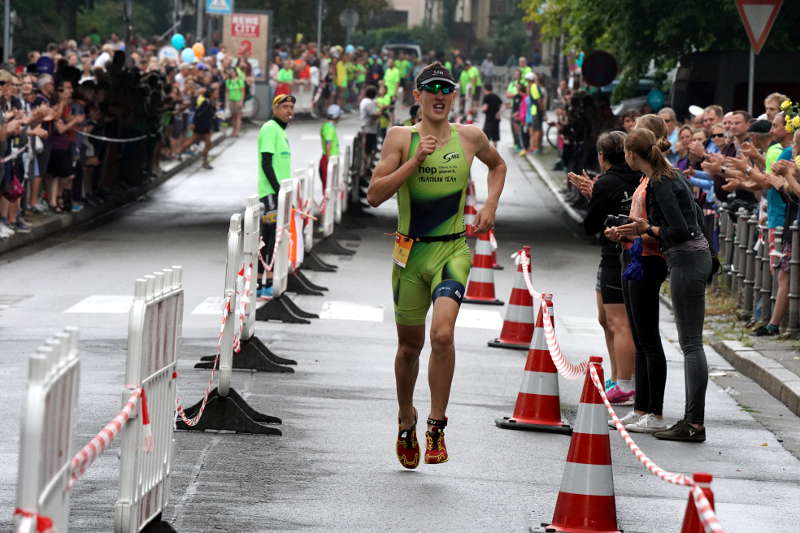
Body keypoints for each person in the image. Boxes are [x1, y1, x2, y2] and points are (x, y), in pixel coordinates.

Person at [366, 62, 506, 468]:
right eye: (432, 89)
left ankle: (437, 425)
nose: (440, 95)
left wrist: (491, 205)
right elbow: (374, 194)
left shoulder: (469, 137)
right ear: (418, 96)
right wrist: (413, 162)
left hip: (452, 251)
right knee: (410, 346)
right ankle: (405, 416)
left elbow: (497, 165)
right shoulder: (400, 138)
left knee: (442, 335)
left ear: (455, 95)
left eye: (447, 89)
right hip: (410, 254)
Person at [618, 127, 713, 442]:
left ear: (632, 154)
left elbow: (681, 229)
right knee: (691, 344)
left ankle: (694, 423)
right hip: (693, 258)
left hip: (686, 259)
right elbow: (695, 217)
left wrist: (649, 229)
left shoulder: (660, 183)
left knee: (691, 344)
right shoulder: (671, 175)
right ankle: (690, 420)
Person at [571, 131, 640, 405]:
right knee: (605, 318)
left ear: (602, 157)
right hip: (615, 254)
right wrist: (595, 192)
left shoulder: (608, 182)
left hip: (617, 254)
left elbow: (590, 225)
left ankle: (625, 381)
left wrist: (595, 195)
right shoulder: (634, 178)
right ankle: (617, 376)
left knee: (619, 321)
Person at [256, 94, 295, 299]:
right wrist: (278, 190)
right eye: (285, 107)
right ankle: (263, 284)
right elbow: (266, 163)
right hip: (271, 193)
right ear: (275, 109)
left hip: (280, 193)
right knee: (269, 237)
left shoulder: (280, 131)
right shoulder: (270, 128)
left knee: (274, 237)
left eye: (291, 107)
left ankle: (266, 283)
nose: (289, 111)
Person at [319, 104, 341, 191]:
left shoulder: (329, 126)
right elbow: (328, 144)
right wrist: (329, 162)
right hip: (328, 160)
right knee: (328, 188)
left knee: (330, 186)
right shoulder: (329, 127)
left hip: (330, 159)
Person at [224, 61, 246, 137]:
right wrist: (227, 101)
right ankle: (233, 130)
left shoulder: (240, 81)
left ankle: (237, 131)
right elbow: (227, 92)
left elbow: (243, 92)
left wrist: (241, 101)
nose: (232, 73)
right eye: (231, 72)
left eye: (233, 71)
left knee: (238, 116)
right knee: (233, 116)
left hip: (237, 100)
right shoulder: (228, 81)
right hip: (231, 100)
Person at [359, 86, 381, 157]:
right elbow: (373, 115)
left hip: (366, 127)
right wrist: (380, 111)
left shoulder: (365, 101)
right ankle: (367, 165)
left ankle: (367, 163)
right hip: (369, 129)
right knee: (369, 148)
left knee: (368, 147)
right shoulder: (369, 103)